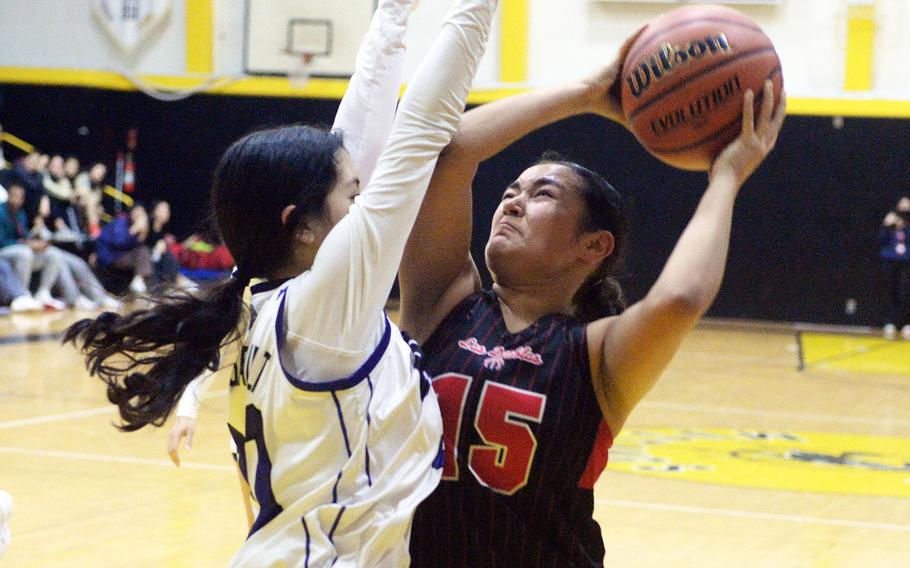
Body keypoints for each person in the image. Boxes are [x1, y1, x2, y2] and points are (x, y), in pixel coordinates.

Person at [64, 0, 496, 565]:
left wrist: (393, 13)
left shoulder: (264, 299)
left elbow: (356, 139)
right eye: (353, 195)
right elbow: (421, 126)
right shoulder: (324, 306)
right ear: (303, 226)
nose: (365, 203)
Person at [398, 38, 786, 564]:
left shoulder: (596, 355)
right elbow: (454, 152)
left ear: (593, 246)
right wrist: (584, 93)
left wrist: (726, 175)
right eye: (511, 190)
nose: (512, 200)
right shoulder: (443, 302)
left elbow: (681, 297)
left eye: (542, 194)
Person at [0, 182, 69, 310]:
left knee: (53, 253)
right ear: (8, 196)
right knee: (24, 252)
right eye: (14, 196)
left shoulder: (21, 214)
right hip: (4, 252)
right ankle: (22, 294)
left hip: (19, 249)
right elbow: (2, 241)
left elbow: (24, 236)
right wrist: (27, 244)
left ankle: (43, 292)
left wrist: (36, 240)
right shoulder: (0, 212)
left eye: (20, 197)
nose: (17, 200)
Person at [880, 196, 910, 339]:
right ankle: (890, 322)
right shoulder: (891, 221)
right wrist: (887, 225)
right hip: (890, 261)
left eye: (907, 206)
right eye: (902, 205)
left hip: (906, 262)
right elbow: (882, 240)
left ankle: (906, 324)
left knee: (906, 293)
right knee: (890, 291)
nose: (904, 208)